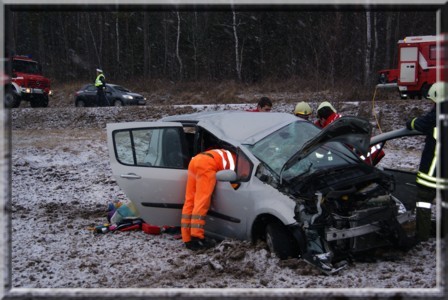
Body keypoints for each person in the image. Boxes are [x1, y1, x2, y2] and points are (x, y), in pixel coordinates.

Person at [406, 81, 445, 241]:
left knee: (423, 201)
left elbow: (418, 123)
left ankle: (422, 234)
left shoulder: (438, 114)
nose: (431, 104)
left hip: (432, 172)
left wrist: (410, 122)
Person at [181, 148, 236, 250]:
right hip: (206, 164)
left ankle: (187, 238)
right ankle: (197, 237)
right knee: (202, 201)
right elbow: (236, 179)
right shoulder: (240, 161)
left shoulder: (227, 153)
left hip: (195, 160)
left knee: (190, 200)